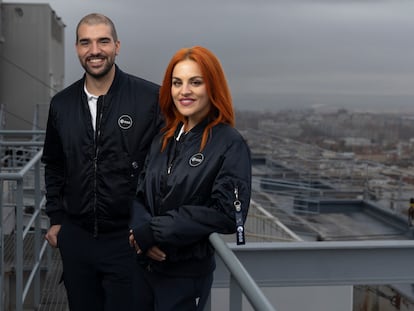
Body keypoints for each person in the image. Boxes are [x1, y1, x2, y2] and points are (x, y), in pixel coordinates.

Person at [41, 13, 161, 311]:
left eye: (103, 41)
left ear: (117, 46)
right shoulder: (62, 104)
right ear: (77, 49)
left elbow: (162, 171)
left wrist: (153, 229)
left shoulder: (149, 99)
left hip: (129, 241)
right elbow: (54, 164)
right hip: (77, 240)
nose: (94, 50)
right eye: (86, 42)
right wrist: (56, 218)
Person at [129, 45, 251, 310]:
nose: (184, 91)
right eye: (177, 83)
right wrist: (142, 234)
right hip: (144, 268)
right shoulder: (163, 138)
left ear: (212, 87)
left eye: (195, 82)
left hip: (184, 276)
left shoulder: (229, 144)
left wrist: (154, 231)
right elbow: (139, 193)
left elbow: (228, 213)